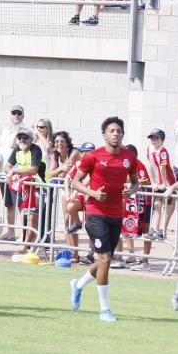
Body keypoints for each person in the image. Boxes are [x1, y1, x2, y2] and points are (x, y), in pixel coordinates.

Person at [69, 117, 139, 323]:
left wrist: (131, 190)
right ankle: (104, 310)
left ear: (123, 134)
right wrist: (92, 192)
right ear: (104, 135)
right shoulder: (93, 156)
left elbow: (135, 183)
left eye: (119, 130)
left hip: (117, 213)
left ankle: (78, 285)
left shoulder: (129, 157)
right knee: (105, 260)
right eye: (111, 130)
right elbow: (74, 182)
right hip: (95, 212)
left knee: (103, 260)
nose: (115, 133)